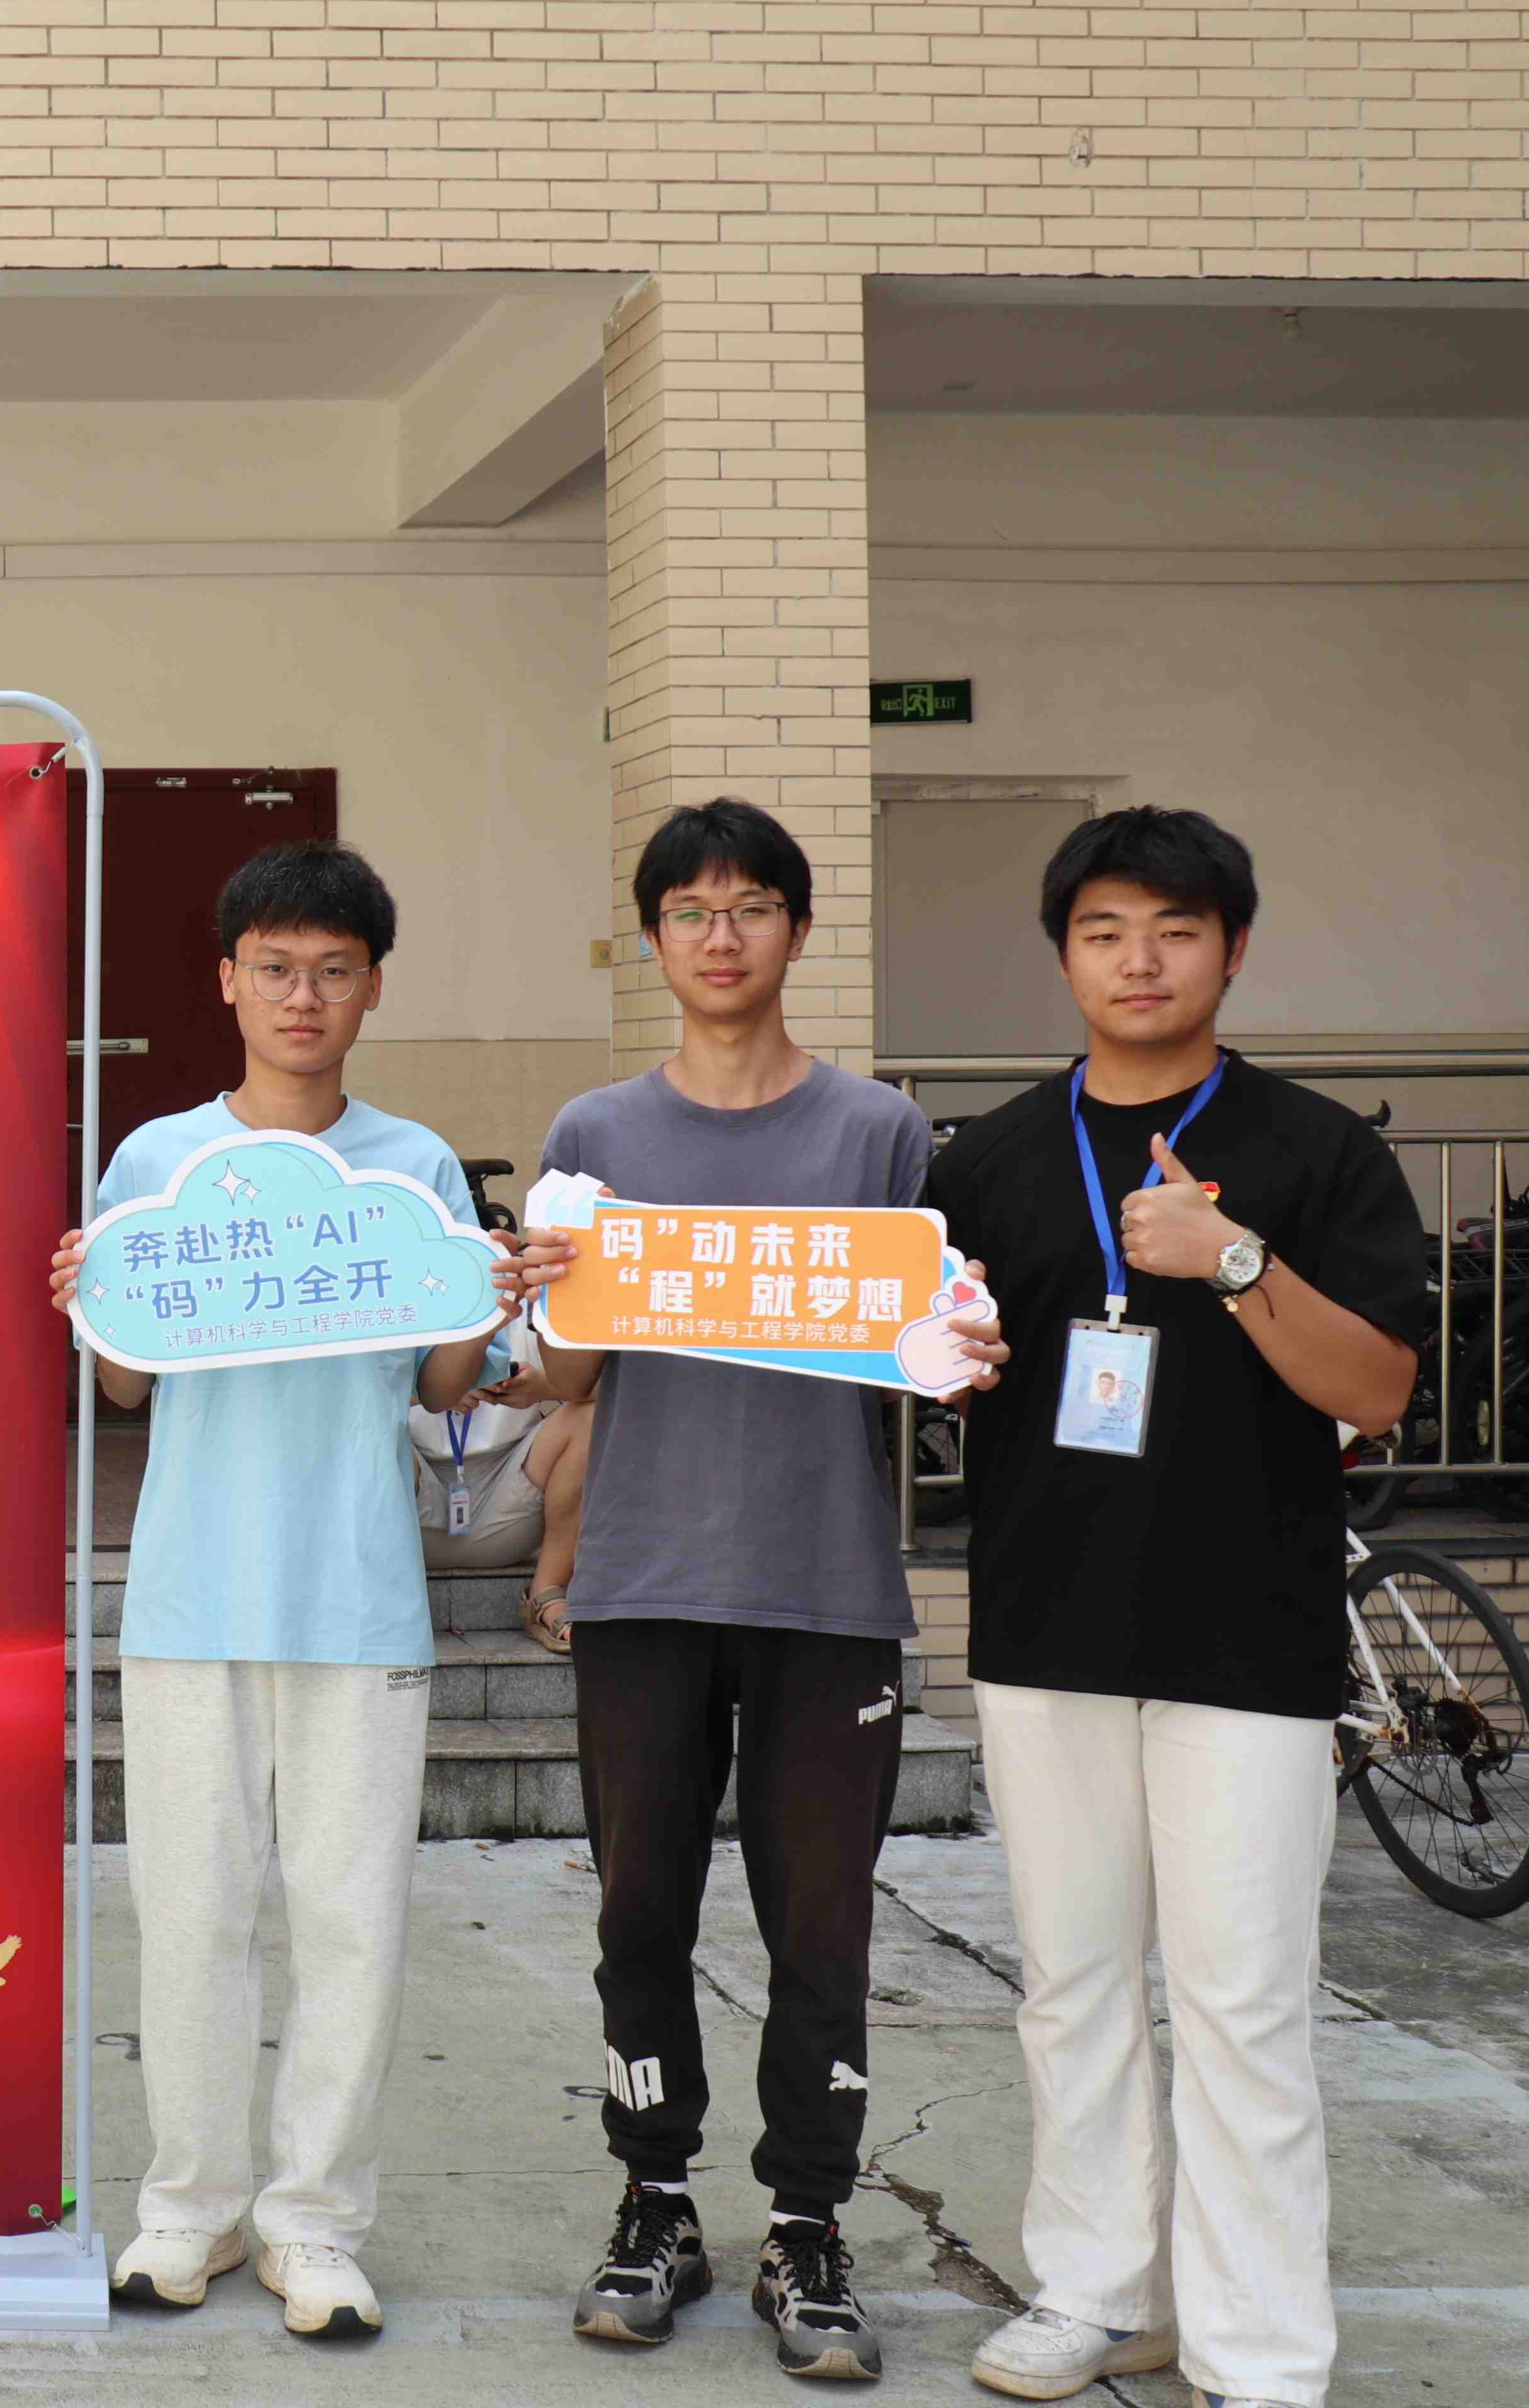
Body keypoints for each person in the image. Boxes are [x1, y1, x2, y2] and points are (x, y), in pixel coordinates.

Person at [928, 809, 1424, 2408]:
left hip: (1246, 1635)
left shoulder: (1319, 1149)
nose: (1138, 960)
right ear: (1063, 953)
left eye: (1176, 929)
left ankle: (1260, 2350)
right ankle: (1098, 2290)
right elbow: (933, 1369)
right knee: (1071, 1984)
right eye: (1105, 931)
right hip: (1045, 1620)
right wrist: (943, 1364)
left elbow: (1378, 1388)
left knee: (1243, 2002)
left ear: (1233, 947)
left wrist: (1232, 1258)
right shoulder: (988, 1159)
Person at [507, 798, 1005, 2384]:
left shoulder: (879, 1133)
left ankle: (807, 2221)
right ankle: (653, 2195)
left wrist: (964, 1344)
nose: (720, 936)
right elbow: (564, 1371)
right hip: (646, 1582)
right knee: (639, 1908)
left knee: (822, 1927)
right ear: (653, 935)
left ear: (795, 926)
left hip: (827, 1586)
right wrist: (541, 1296)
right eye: (690, 910)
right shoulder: (595, 1129)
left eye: (750, 907)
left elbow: (926, 1354)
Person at [45, 841, 518, 2339]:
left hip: (360, 1598)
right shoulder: (156, 1161)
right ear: (227, 980)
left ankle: (314, 2224)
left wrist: (491, 1296)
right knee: (189, 1917)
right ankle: (184, 2210)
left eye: (332, 969)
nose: (301, 996)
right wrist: (88, 1304)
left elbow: (441, 1380)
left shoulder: (417, 1164)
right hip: (190, 1599)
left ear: (372, 987)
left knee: (350, 1924)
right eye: (274, 967)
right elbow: (127, 1386)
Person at [408, 1325, 593, 1654]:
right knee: (371, 1439)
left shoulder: (533, 1301)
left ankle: (547, 1590)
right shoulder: (392, 1300)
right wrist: (434, 1390)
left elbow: (611, 1384)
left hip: (513, 1492)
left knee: (589, 1417)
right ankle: (373, 1598)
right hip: (409, 1507)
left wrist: (543, 1388)